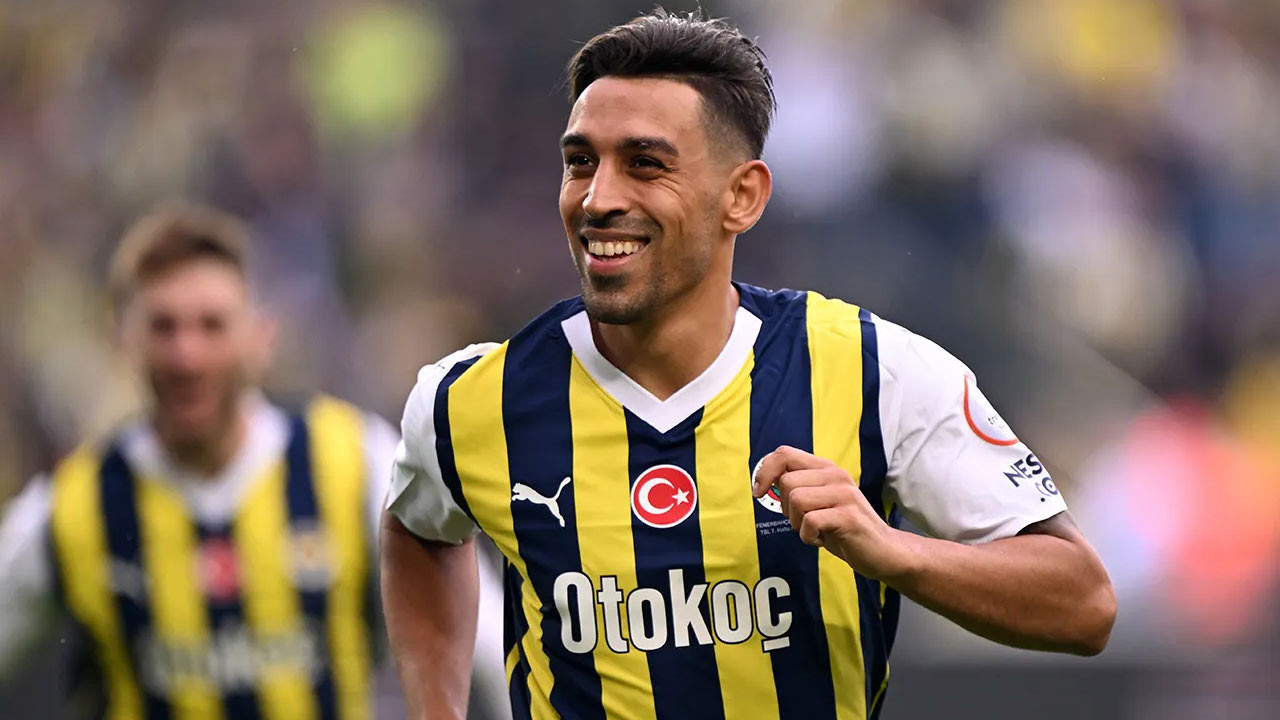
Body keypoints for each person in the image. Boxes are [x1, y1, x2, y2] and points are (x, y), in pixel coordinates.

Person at [380, 9, 1117, 720]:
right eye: (581, 163)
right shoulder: (470, 402)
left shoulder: (873, 372)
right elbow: (418, 530)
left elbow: (1084, 603)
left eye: (645, 165)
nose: (598, 198)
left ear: (742, 196)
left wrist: (893, 552)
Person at [0, 202, 400, 720]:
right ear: (123, 338)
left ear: (261, 337)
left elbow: (482, 646)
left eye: (212, 326)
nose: (188, 356)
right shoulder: (73, 507)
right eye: (163, 327)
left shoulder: (357, 463)